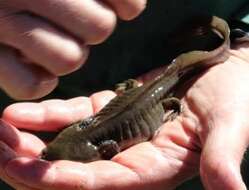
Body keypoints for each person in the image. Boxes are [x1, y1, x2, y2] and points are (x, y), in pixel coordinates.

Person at [0, 0, 248, 190]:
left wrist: (244, 55)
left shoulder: (99, 143)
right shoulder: (80, 133)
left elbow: (109, 146)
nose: (46, 156)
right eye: (48, 154)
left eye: (46, 154)